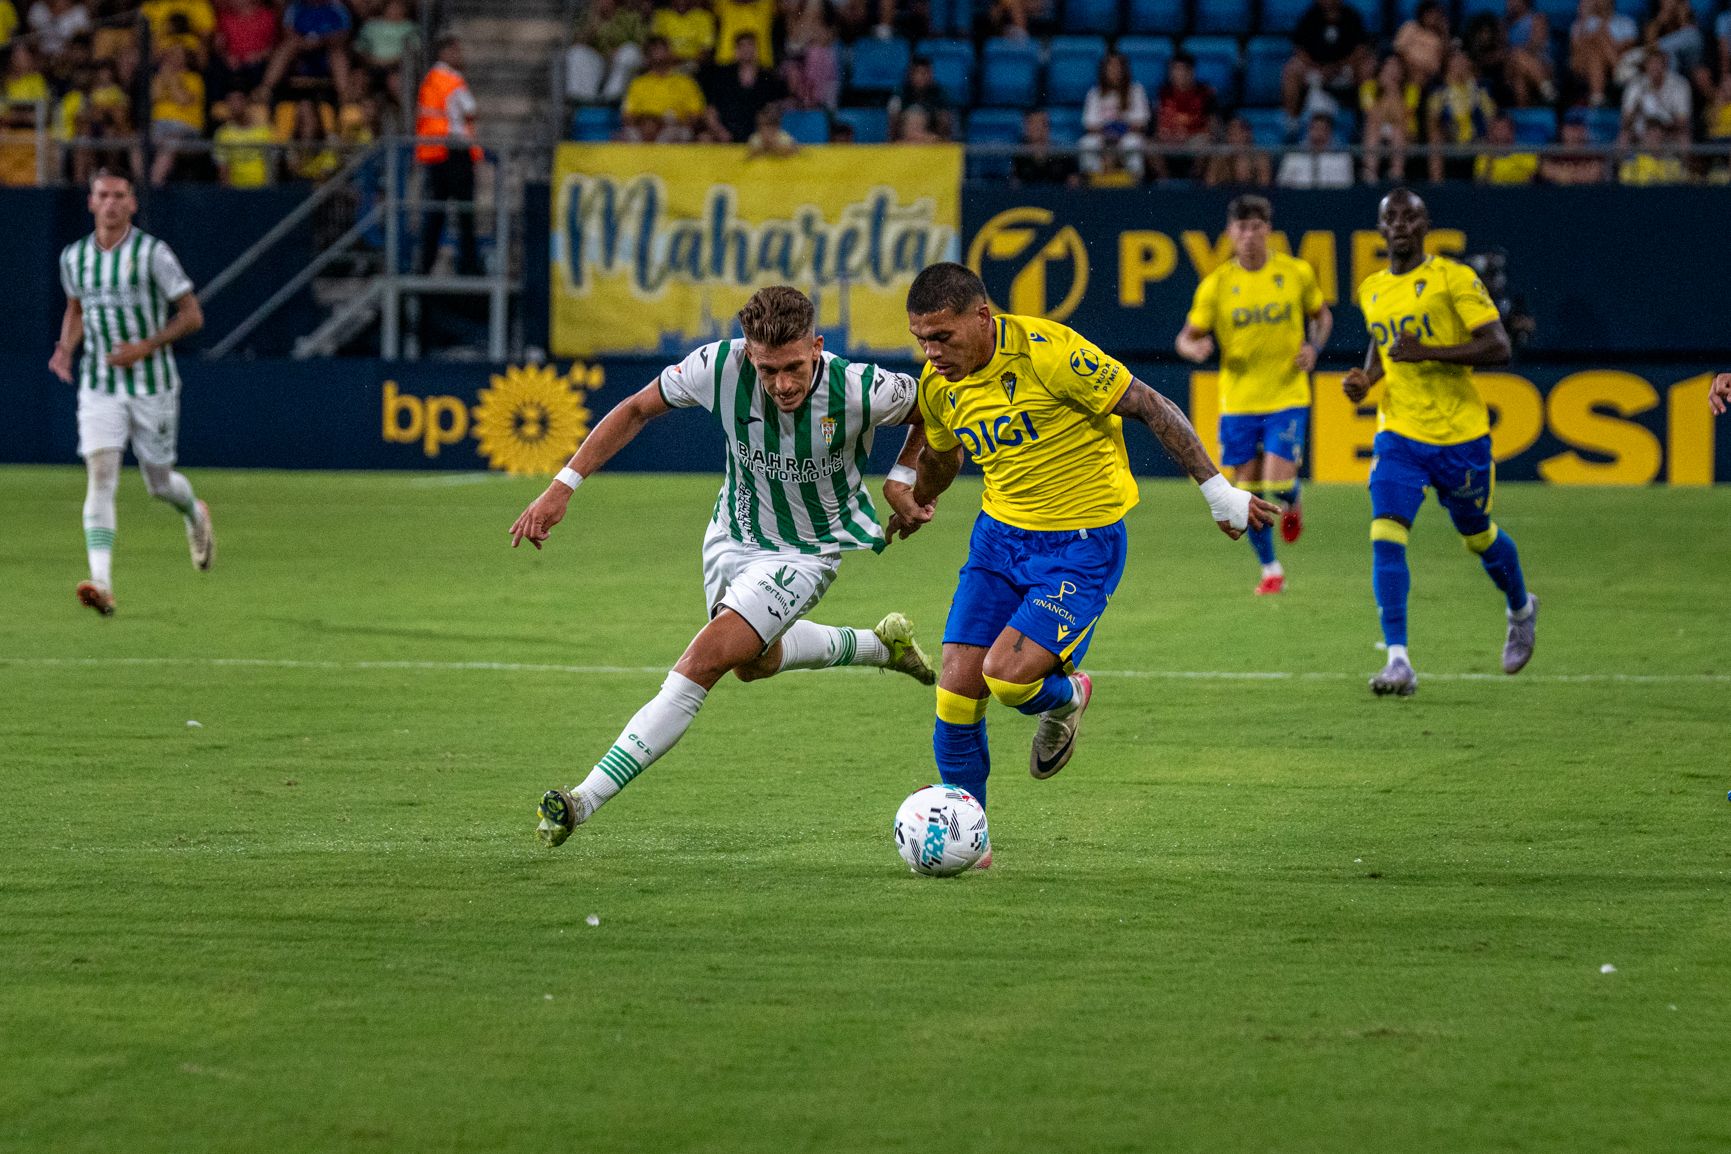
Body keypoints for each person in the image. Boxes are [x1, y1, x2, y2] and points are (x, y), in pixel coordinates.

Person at [514, 285, 938, 847]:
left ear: (816, 346)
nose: (782, 384)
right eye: (767, 371)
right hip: (730, 537)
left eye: (793, 367)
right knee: (752, 664)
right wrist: (562, 486)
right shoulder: (717, 367)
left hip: (805, 554)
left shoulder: (861, 387)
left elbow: (934, 409)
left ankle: (582, 798)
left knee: (707, 659)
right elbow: (638, 407)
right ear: (747, 352)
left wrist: (906, 477)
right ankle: (881, 646)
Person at [881, 263, 1276, 844]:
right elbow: (944, 452)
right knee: (955, 693)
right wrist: (919, 499)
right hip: (998, 539)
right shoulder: (941, 384)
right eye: (922, 340)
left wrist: (1219, 494)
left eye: (943, 336)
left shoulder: (1050, 353)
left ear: (983, 318)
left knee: (1008, 681)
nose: (932, 351)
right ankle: (971, 839)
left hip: (1081, 543)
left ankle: (1068, 699)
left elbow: (1150, 405)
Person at [1342, 188, 1534, 696]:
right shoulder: (1372, 288)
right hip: (1399, 433)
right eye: (1391, 217)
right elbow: (1385, 343)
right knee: (1385, 532)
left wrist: (1429, 351)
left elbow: (1498, 346)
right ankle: (1398, 660)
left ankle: (1521, 607)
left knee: (1478, 535)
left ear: (1425, 226)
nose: (1400, 225)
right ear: (1381, 229)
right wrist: (1368, 378)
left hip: (1460, 436)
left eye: (1410, 216)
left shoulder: (1454, 277)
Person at [49, 169, 213, 617]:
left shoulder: (152, 254)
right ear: (90, 202)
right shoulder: (74, 257)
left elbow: (192, 314)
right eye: (103, 195)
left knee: (159, 483)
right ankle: (101, 582)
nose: (111, 203)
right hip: (99, 385)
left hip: (152, 384)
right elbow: (76, 309)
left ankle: (194, 515)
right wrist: (66, 349)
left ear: (133, 203)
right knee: (101, 475)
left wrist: (146, 345)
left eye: (119, 195)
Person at [1175, 196, 1330, 595]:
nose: (1249, 235)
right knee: (1246, 493)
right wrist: (1195, 350)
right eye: (1241, 227)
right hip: (1238, 401)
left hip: (1287, 395)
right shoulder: (1217, 285)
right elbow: (1185, 339)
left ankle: (1292, 502)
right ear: (1230, 233)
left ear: (1268, 230)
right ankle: (1271, 569)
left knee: (1276, 481)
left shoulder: (1295, 273)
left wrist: (1314, 346)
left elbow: (1322, 316)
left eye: (1256, 226)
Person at [414, 34, 481, 275]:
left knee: (435, 215)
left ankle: (425, 266)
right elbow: (471, 109)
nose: (460, 56)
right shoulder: (451, 79)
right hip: (455, 152)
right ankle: (471, 267)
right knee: (465, 213)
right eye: (456, 51)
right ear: (445, 53)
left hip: (434, 152)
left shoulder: (429, 80)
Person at [1282, 0, 1374, 118]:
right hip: (1316, 70)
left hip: (1345, 70)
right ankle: (1290, 121)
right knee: (1292, 69)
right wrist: (1319, 68)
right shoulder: (1310, 16)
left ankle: (1369, 116)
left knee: (1367, 69)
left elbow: (1361, 49)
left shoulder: (1351, 16)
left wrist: (1338, 67)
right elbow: (1299, 49)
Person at [700, 31, 787, 143]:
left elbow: (775, 109)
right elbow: (710, 110)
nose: (747, 49)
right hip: (725, 135)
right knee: (704, 139)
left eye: (750, 45)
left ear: (757, 49)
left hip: (760, 136)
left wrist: (765, 133)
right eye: (742, 46)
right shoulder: (722, 76)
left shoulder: (768, 77)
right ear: (736, 50)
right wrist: (719, 131)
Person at [622, 35, 707, 140]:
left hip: (675, 126)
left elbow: (696, 115)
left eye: (662, 49)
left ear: (670, 53)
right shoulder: (638, 83)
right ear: (647, 56)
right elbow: (628, 116)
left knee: (670, 135)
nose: (659, 54)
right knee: (624, 136)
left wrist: (669, 124)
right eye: (654, 50)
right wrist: (647, 125)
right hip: (642, 127)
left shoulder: (686, 82)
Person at [1081, 49, 1149, 180]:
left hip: (1127, 135)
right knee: (1087, 143)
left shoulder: (1136, 90)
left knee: (1132, 143)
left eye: (1118, 67)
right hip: (1103, 136)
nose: (1114, 71)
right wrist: (1108, 132)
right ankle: (1093, 179)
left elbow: (1141, 123)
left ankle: (1134, 180)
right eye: (1110, 67)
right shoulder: (1095, 93)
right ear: (1104, 70)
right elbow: (1089, 125)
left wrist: (1120, 129)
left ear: (1124, 70)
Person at [1277, 110, 1353, 187]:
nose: (1318, 134)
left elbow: (1345, 189)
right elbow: (1283, 187)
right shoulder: (1293, 157)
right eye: (1315, 129)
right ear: (1308, 131)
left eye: (1323, 129)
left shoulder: (1342, 159)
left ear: (1330, 133)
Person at [1011, 107, 1080, 186]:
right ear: (1025, 127)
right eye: (1033, 123)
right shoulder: (1018, 154)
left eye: (1042, 123)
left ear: (1048, 127)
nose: (1038, 128)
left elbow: (1074, 183)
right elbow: (1014, 184)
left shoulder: (1062, 154)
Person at [1473, 112, 1539, 183]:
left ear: (1512, 132)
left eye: (1503, 128)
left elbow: (1533, 182)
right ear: (1490, 134)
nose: (1499, 133)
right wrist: (1490, 160)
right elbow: (1480, 185)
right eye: (1495, 128)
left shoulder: (1526, 152)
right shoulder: (1483, 156)